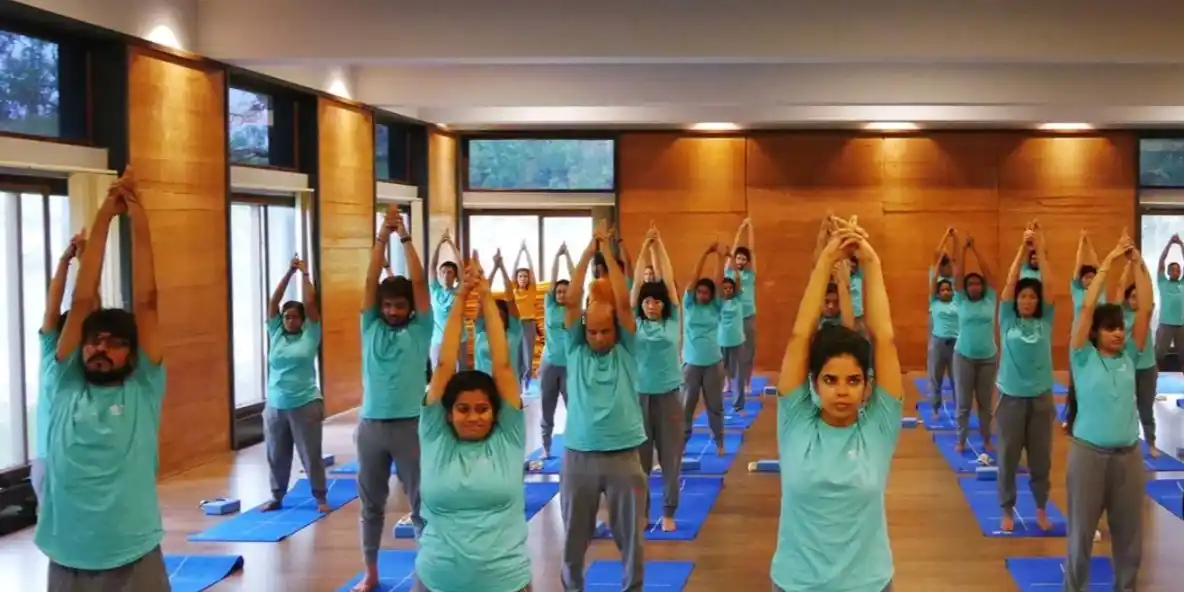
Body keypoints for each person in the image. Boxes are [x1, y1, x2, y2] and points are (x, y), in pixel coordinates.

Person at [38, 172, 171, 590]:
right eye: (95, 340)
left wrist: (136, 214)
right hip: (66, 555)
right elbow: (81, 300)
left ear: (131, 354)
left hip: (133, 554)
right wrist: (104, 216)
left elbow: (147, 302)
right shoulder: (64, 383)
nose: (102, 348)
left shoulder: (142, 387)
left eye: (116, 343)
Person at [770, 217, 903, 592]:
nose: (842, 391)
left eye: (853, 381)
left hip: (868, 585)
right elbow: (800, 336)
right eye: (830, 380)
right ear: (814, 383)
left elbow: (884, 338)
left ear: (867, 386)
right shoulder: (795, 422)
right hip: (796, 584)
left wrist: (871, 262)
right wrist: (826, 260)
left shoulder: (879, 427)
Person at [414, 257, 531, 592]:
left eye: (482, 409)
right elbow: (444, 365)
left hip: (506, 582)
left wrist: (485, 296)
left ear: (495, 412)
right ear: (449, 413)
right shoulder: (435, 436)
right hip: (437, 580)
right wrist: (462, 295)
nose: (474, 416)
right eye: (463, 409)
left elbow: (503, 366)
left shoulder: (508, 437)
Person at [559, 222, 647, 592]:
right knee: (573, 539)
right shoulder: (575, 350)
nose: (597, 337)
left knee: (631, 539)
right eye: (592, 331)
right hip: (578, 455)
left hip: (623, 454)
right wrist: (586, 252)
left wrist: (607, 254)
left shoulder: (626, 350)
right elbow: (572, 299)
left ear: (616, 330)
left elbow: (624, 302)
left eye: (605, 331)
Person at [1064, 232, 1149, 592]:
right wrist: (1110, 260)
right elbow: (1087, 308)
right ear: (1095, 333)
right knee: (1081, 536)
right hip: (1088, 456)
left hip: (1128, 457)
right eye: (1110, 328)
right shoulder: (1082, 357)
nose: (1118, 333)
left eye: (1120, 328)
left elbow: (1145, 309)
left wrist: (1137, 264)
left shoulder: (1130, 357)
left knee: (1130, 540)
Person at [354, 206, 433, 592]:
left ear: (410, 308)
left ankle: (427, 570)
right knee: (371, 505)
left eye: (399, 306)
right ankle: (370, 571)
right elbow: (371, 279)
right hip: (371, 426)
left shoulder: (420, 329)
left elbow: (419, 281)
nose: (392, 311)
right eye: (387, 306)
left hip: (410, 426)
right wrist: (381, 236)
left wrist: (404, 236)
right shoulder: (370, 325)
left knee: (421, 503)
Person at [996, 221, 1056, 533]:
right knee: (1008, 457)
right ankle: (1007, 509)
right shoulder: (1007, 320)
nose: (1027, 301)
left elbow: (1050, 285)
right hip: (1011, 398)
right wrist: (1023, 247)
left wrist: (1040, 248)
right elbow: (1010, 283)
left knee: (1040, 459)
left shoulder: (1046, 321)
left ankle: (1041, 508)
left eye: (1033, 297)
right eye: (1023, 297)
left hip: (1041, 399)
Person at [258, 256, 328, 513]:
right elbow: (273, 303)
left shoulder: (311, 333)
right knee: (276, 454)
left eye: (295, 317)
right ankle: (276, 496)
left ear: (302, 319)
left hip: (305, 403)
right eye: (286, 317)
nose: (290, 320)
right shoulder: (276, 332)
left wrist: (305, 274)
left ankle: (320, 497)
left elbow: (310, 303)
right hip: (276, 405)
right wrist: (288, 273)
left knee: (310, 454)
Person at [33, 232, 95, 504]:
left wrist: (81, 257)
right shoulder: (52, 352)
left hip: (70, 457)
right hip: (52, 460)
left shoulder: (87, 360)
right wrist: (67, 260)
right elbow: (53, 306)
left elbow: (91, 305)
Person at [631, 224, 683, 533]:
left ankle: (669, 511)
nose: (652, 305)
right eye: (648, 302)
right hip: (639, 397)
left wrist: (658, 244)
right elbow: (638, 284)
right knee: (640, 460)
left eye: (657, 302)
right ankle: (642, 512)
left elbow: (670, 282)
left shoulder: (673, 320)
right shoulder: (635, 322)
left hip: (669, 396)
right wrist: (643, 248)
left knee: (670, 456)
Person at [951, 234, 998, 453]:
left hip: (988, 358)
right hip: (964, 357)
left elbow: (989, 274)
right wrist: (963, 250)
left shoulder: (990, 299)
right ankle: (961, 440)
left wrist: (976, 249)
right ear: (966, 287)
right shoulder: (960, 299)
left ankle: (986, 439)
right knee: (963, 403)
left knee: (985, 403)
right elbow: (958, 275)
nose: (975, 286)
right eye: (970, 284)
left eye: (978, 283)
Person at [681, 241, 726, 454]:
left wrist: (721, 257)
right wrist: (705, 252)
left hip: (713, 363)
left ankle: (719, 441)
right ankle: (681, 443)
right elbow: (693, 278)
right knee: (686, 406)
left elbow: (718, 281)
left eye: (706, 293)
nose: (702, 295)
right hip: (691, 363)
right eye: (699, 292)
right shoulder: (689, 304)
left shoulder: (715, 306)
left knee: (715, 406)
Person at [1118, 259, 1159, 456]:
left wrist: (1140, 263)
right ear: (1127, 300)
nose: (1136, 300)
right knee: (1124, 406)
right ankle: (1126, 441)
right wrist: (1128, 266)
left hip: (1147, 367)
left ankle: (1151, 442)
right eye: (1132, 297)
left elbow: (1148, 290)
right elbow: (1119, 289)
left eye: (1138, 297)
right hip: (1127, 367)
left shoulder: (1144, 314)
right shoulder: (1121, 314)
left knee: (1146, 407)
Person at [539, 243, 575, 458]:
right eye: (559, 291)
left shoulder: (576, 312)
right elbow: (552, 282)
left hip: (570, 366)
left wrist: (568, 256)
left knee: (574, 407)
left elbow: (576, 279)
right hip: (550, 364)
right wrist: (556, 257)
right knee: (547, 407)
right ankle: (546, 447)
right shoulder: (550, 306)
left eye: (565, 291)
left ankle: (575, 443)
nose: (561, 294)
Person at [476, 249, 525, 377]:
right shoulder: (481, 332)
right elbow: (483, 296)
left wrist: (502, 267)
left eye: (499, 316)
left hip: (507, 386)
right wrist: (494, 268)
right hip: (483, 386)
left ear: (506, 318)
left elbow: (510, 298)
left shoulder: (513, 333)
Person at [726, 218, 757, 410]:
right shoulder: (729, 273)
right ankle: (729, 382)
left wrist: (749, 228)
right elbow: (732, 251)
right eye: (738, 258)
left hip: (748, 316)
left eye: (744, 259)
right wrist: (739, 231)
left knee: (748, 352)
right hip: (732, 319)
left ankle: (746, 383)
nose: (741, 261)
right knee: (729, 352)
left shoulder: (750, 274)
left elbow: (752, 251)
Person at [927, 228, 959, 416]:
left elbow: (956, 263)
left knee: (956, 377)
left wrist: (955, 239)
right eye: (944, 265)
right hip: (939, 339)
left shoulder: (956, 293)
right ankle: (935, 408)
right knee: (935, 376)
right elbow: (936, 255)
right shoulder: (935, 292)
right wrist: (946, 235)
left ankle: (959, 408)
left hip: (955, 341)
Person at [429, 229, 461, 369]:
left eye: (450, 272)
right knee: (438, 373)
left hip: (458, 339)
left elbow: (460, 265)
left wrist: (452, 245)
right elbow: (432, 266)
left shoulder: (459, 291)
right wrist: (440, 243)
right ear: (439, 275)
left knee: (460, 375)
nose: (446, 275)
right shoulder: (435, 290)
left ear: (455, 276)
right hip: (438, 340)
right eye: (443, 272)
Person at [511, 241, 539, 389]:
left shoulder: (532, 290)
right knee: (516, 354)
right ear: (517, 278)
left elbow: (532, 270)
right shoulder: (513, 290)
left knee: (528, 354)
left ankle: (527, 381)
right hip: (515, 325)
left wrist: (526, 251)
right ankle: (517, 383)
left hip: (528, 324)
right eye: (520, 276)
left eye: (525, 276)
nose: (523, 278)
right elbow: (513, 271)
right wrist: (518, 252)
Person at [1154, 234, 1184, 366]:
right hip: (1165, 324)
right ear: (1168, 272)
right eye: (1173, 270)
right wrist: (1169, 244)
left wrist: (1181, 244)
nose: (1176, 272)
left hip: (1181, 325)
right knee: (1158, 356)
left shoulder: (1182, 284)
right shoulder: (1163, 282)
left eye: (1178, 270)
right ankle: (1154, 377)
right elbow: (1161, 261)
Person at [819, 261, 855, 330]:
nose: (831, 306)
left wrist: (841, 280)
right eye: (827, 301)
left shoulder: (844, 320)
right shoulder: (814, 319)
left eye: (836, 302)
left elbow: (848, 324)